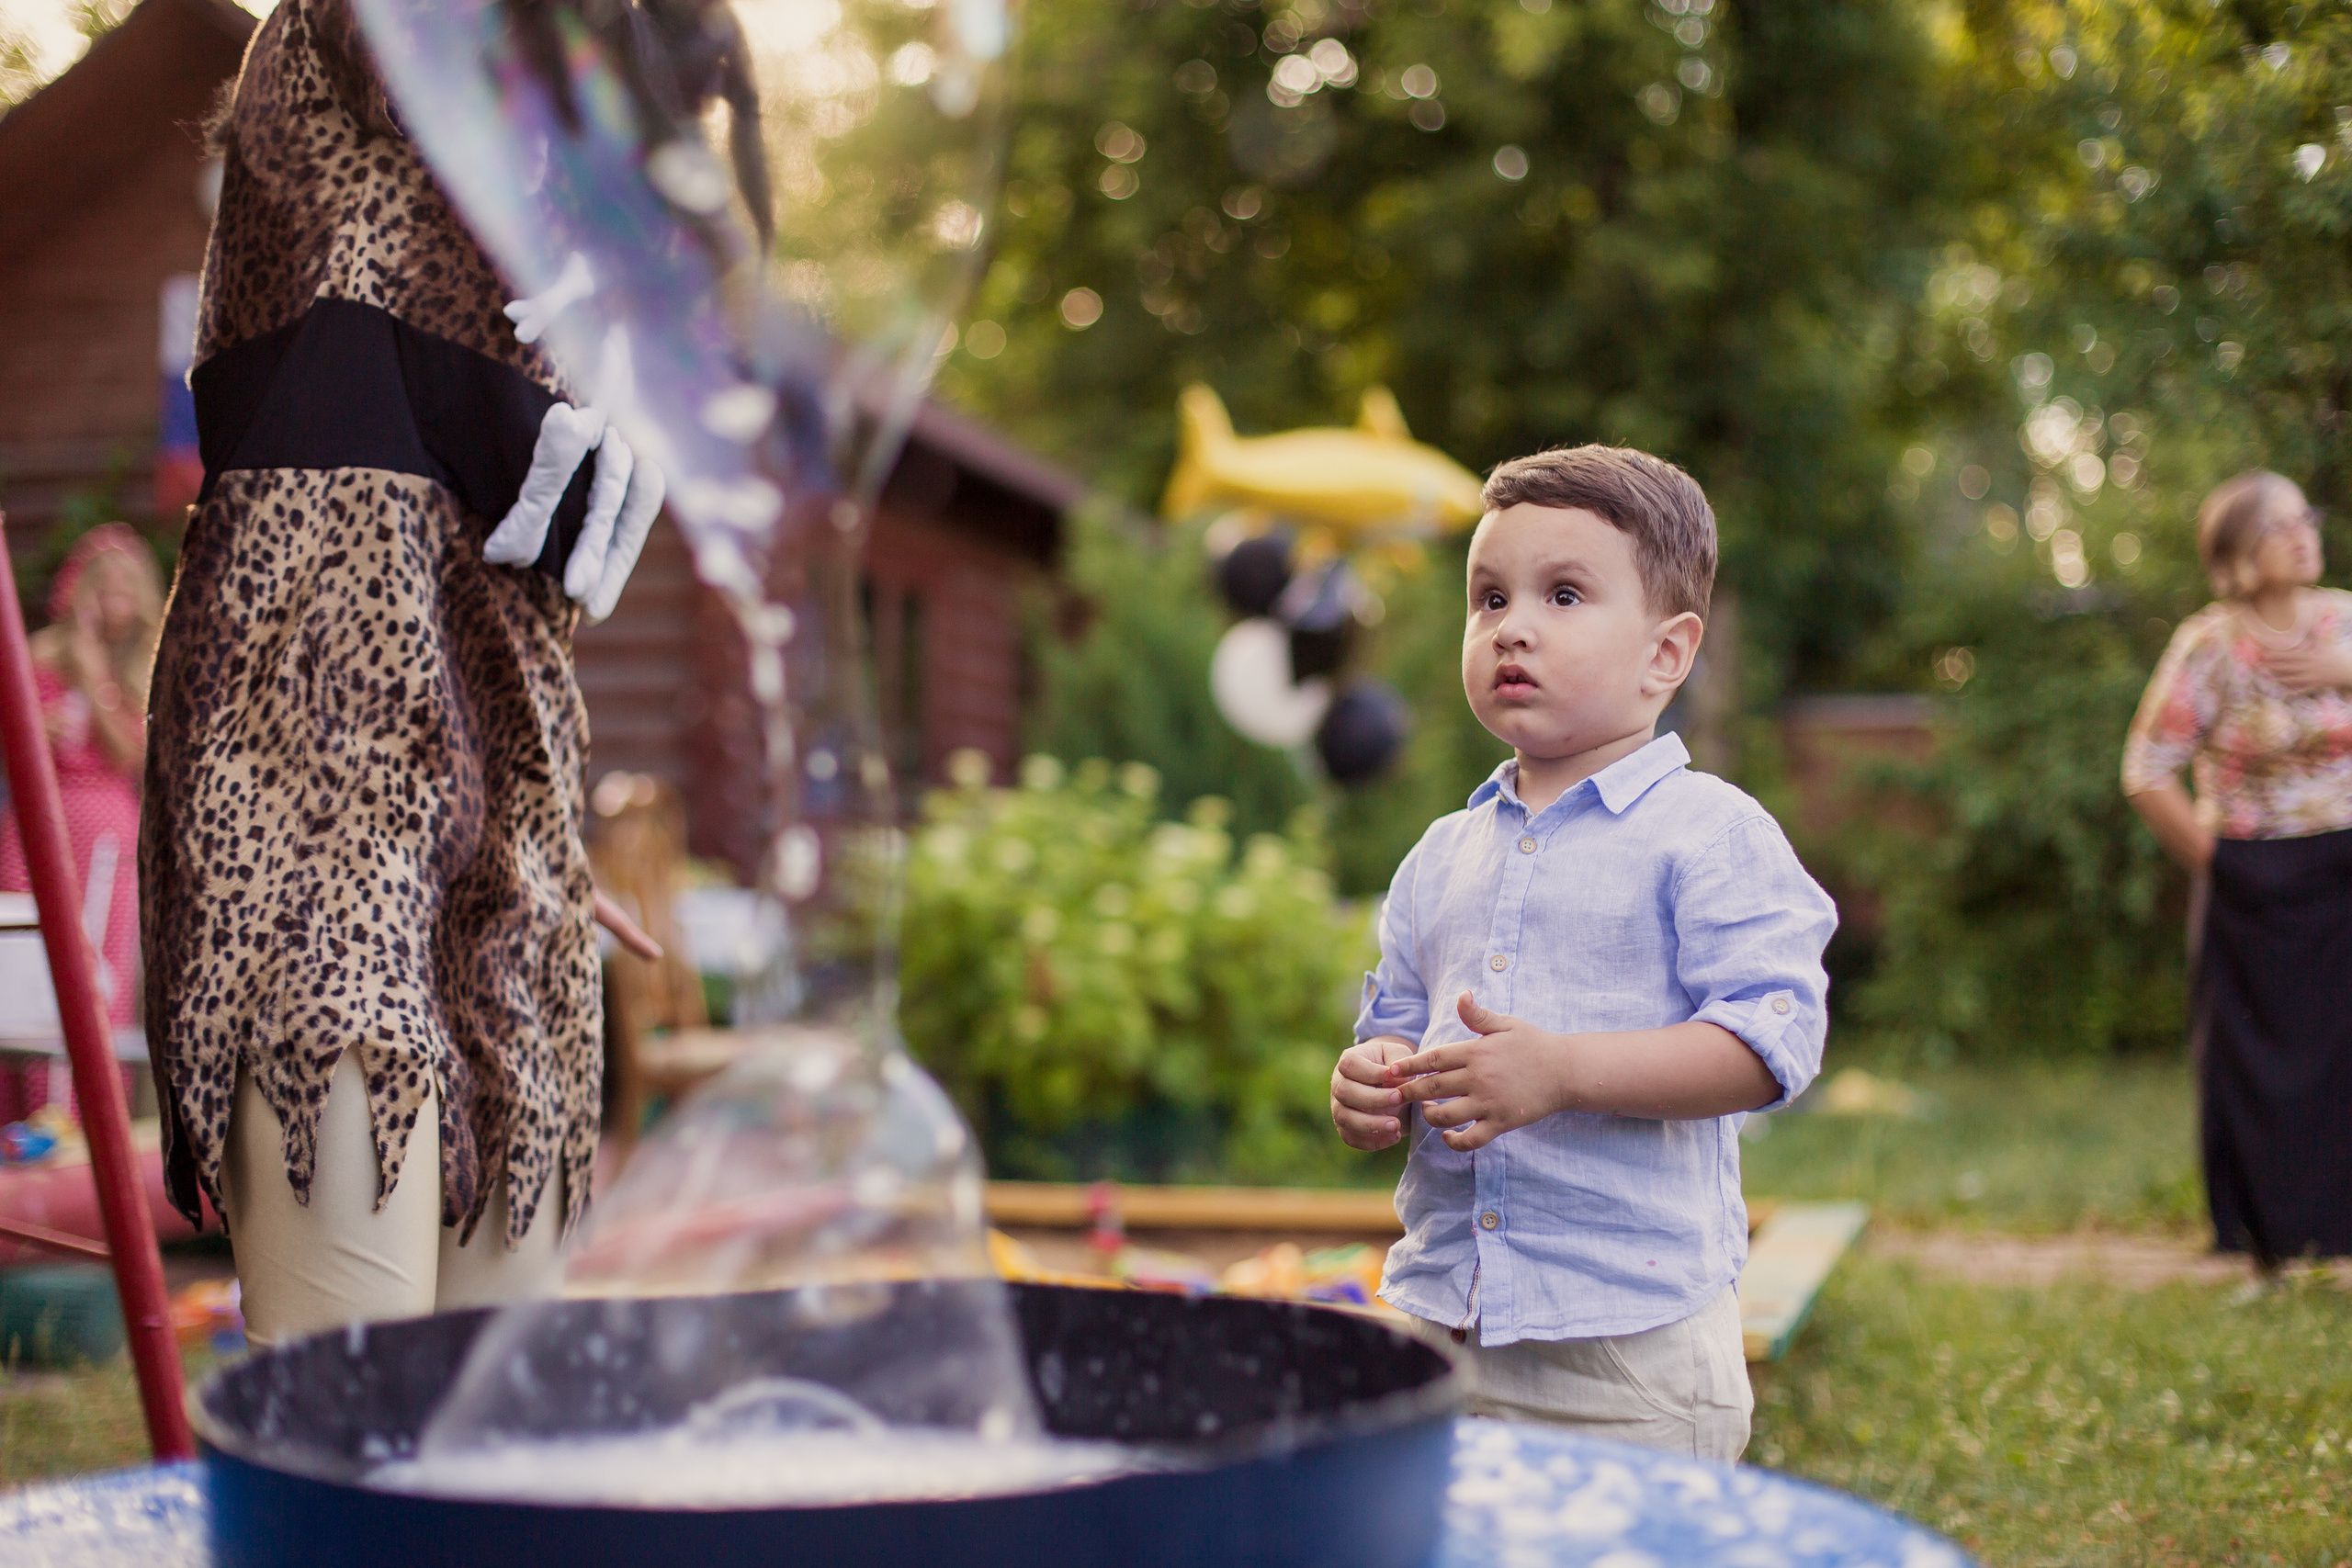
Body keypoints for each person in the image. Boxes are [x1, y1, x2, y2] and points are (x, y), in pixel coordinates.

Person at [139, 0, 687, 1347]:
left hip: (504, 846)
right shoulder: (355, 45)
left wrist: (527, 820)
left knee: (485, 1435)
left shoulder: (562, 196)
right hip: (309, 806)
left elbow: (487, 597)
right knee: (358, 1411)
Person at [1328, 446, 1835, 1461]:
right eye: (1488, 598)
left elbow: (1768, 1044)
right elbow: (1393, 1037)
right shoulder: (1438, 858)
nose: (1511, 625)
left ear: (1665, 654)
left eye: (1563, 595)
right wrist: (1371, 1084)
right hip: (1446, 1324)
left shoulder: (1708, 834)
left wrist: (1562, 1072)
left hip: (1628, 1349)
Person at [2121, 469, 2352, 1277]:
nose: (2303, 533)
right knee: (2260, 1062)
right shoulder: (2209, 643)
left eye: (2305, 518)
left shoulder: (2345, 620)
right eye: (2279, 523)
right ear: (2239, 552)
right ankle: (2270, 1245)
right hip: (2258, 878)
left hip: (2347, 864)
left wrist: (2342, 674)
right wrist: (2220, 863)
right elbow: (2147, 767)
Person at [0, 525, 163, 1119]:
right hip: (36, 826)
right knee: (25, 964)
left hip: (105, 835)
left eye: (125, 590)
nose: (113, 602)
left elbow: (131, 752)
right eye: (103, 588)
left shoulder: (144, 666)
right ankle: (23, 1112)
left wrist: (94, 674)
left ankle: (80, 1117)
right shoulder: (37, 656)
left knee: (95, 970)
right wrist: (32, 732)